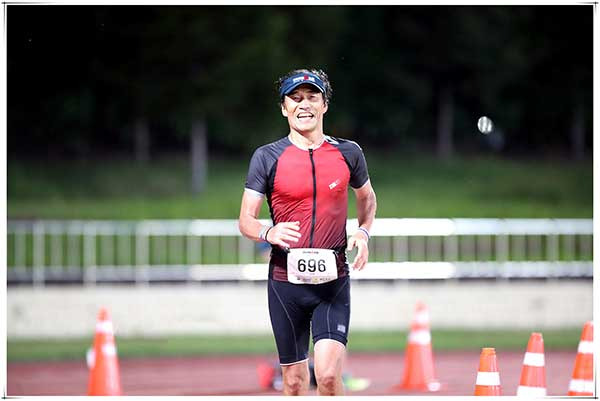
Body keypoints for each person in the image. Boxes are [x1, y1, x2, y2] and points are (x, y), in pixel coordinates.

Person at [238, 68, 377, 396]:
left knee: (328, 377)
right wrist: (267, 233)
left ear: (324, 104)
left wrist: (364, 232)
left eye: (312, 97)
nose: (304, 104)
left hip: (333, 283)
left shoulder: (348, 153)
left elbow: (367, 199)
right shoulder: (267, 157)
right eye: (295, 98)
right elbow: (245, 219)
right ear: (283, 107)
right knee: (295, 382)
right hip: (286, 283)